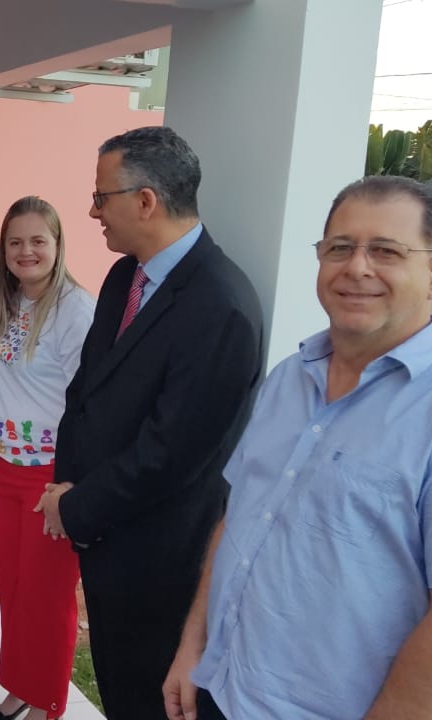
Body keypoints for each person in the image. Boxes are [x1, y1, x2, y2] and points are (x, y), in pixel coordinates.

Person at [163, 176, 432, 720]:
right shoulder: (289, 379)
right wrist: (192, 646)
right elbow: (239, 518)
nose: (357, 267)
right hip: (225, 691)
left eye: (387, 251)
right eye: (340, 248)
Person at [34, 126, 263, 720]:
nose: (91, 211)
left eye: (100, 196)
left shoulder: (221, 306)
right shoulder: (124, 275)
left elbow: (172, 452)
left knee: (153, 700)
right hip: (109, 536)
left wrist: (77, 506)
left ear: (145, 201)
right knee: (119, 687)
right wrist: (65, 486)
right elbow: (85, 393)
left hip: (163, 560)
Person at [0, 196, 96, 720]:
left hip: (50, 476)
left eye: (37, 241)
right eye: (15, 242)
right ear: (4, 251)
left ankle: (49, 701)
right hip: (3, 467)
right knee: (16, 591)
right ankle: (19, 689)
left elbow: (92, 402)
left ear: (57, 245)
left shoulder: (75, 310)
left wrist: (69, 481)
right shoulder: (4, 305)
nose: (26, 251)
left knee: (49, 599)